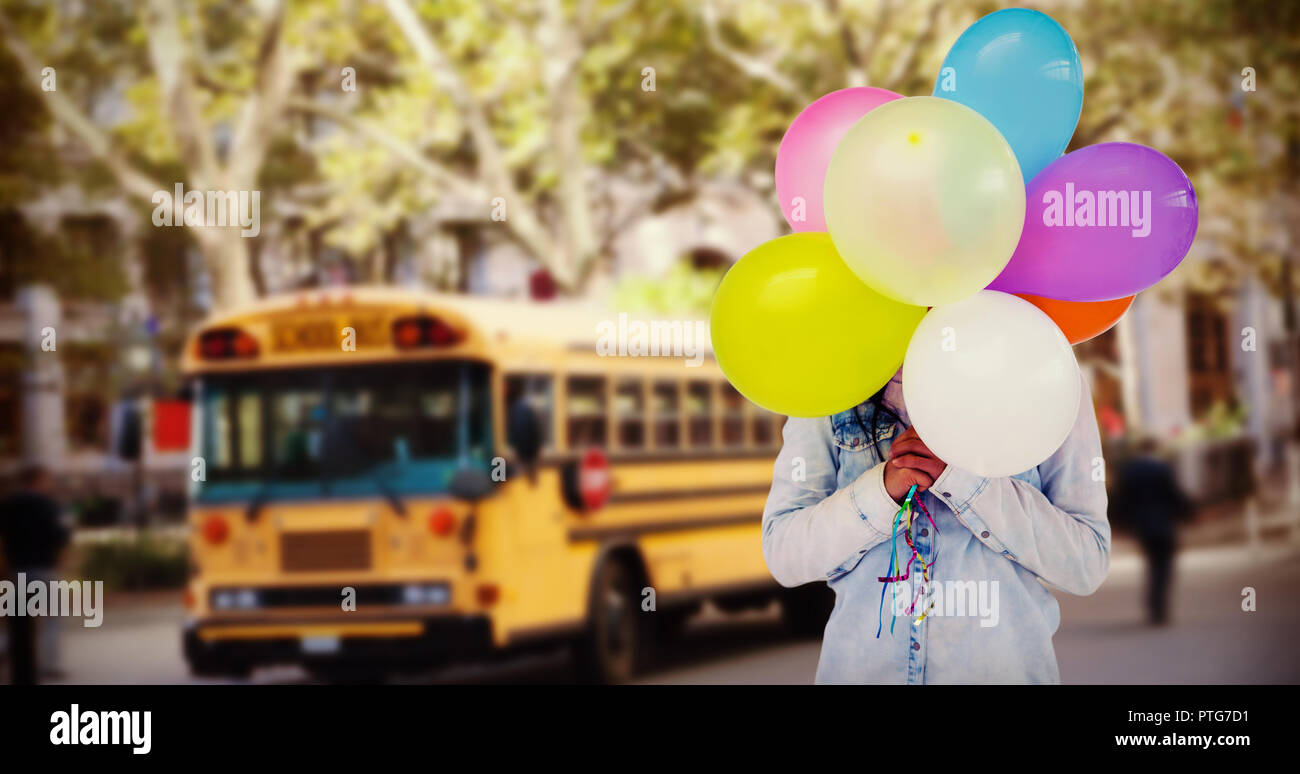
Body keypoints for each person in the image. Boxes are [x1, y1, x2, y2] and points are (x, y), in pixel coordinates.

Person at [762, 369, 1110, 684]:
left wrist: (962, 478)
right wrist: (881, 490)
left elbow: (1086, 562)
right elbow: (784, 553)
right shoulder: (829, 380)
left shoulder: (1048, 374)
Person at [1109, 437, 1193, 625]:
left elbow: (1121, 499)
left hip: (1142, 526)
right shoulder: (1162, 469)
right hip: (1163, 524)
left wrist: (1119, 522)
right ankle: (1159, 608)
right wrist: (1188, 514)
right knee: (1163, 567)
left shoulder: (1130, 472)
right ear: (1154, 449)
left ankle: (1153, 605)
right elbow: (1173, 495)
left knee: (1152, 564)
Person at [0, 464, 70, 684]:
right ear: (38, 480)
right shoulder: (49, 505)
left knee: (17, 620)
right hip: (43, 568)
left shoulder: (8, 504)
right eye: (46, 480)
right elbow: (61, 535)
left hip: (17, 568)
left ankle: (9, 653)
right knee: (51, 618)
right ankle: (50, 664)